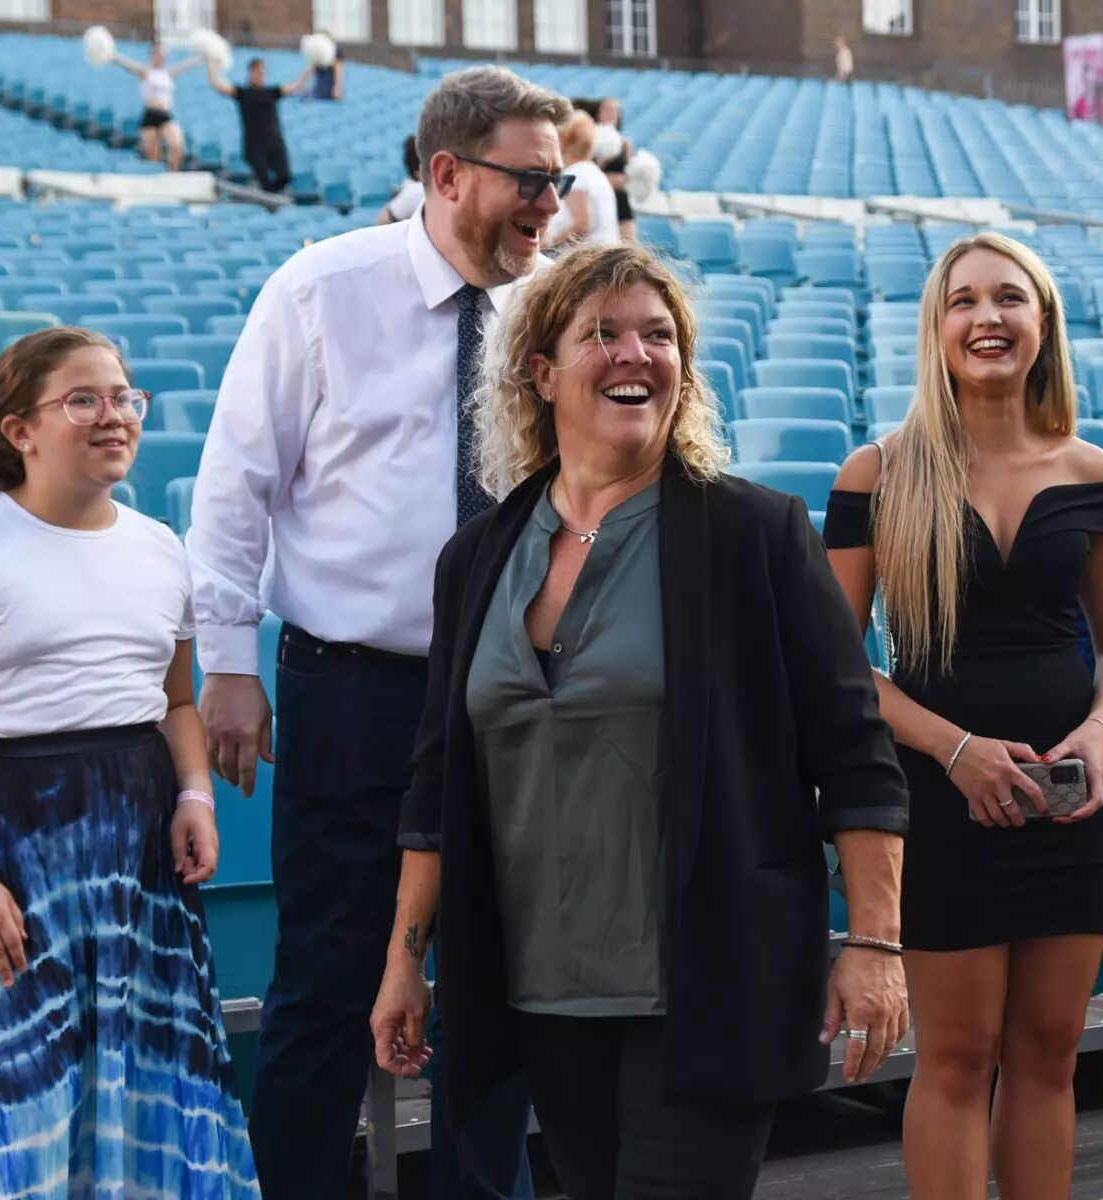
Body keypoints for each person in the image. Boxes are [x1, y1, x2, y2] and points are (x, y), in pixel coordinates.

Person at [369, 243, 910, 1200]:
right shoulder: (477, 557)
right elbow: (437, 779)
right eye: (603, 334)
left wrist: (874, 942)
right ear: (542, 373)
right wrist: (404, 961)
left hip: (708, 979)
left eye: (658, 336)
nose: (635, 355)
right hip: (543, 988)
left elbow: (856, 753)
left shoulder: (756, 534)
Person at [186, 65, 570, 1200]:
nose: (552, 206)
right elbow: (236, 485)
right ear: (447, 173)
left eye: (560, 182)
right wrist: (226, 664)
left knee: (500, 988)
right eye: (530, 181)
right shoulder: (322, 289)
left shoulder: (552, 307)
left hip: (515, 687)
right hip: (354, 687)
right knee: (328, 980)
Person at [0, 327, 258, 1197]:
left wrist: (195, 794)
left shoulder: (158, 546)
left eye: (124, 397)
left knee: (150, 1084)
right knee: (13, 1096)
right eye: (83, 400)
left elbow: (176, 702)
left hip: (137, 848)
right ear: (21, 431)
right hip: (7, 844)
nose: (114, 416)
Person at [824, 232, 1103, 1198]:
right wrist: (956, 750)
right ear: (937, 327)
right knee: (958, 1058)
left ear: (1042, 322)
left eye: (1009, 297)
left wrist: (1099, 731)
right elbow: (835, 664)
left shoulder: (1092, 471)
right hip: (937, 803)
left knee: (1051, 1053)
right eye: (963, 301)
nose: (987, 317)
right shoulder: (878, 472)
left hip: (1067, 803)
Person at [207, 57, 311, 194]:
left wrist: (312, 65)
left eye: (263, 72)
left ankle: (273, 197)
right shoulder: (243, 93)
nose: (261, 74)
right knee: (264, 182)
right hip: (254, 145)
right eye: (257, 71)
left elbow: (298, 85)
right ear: (250, 72)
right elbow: (217, 85)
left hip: (274, 143)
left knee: (285, 176)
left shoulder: (272, 92)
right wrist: (211, 63)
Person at [108, 42, 201, 171]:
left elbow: (185, 66)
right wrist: (112, 55)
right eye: (157, 54)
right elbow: (127, 64)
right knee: (153, 157)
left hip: (165, 115)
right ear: (152, 55)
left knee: (177, 145)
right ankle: (158, 177)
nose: (160, 57)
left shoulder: (168, 73)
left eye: (163, 55)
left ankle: (172, 175)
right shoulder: (145, 72)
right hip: (150, 115)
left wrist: (200, 58)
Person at [546, 111, 619, 251]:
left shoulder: (576, 175)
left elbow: (581, 226)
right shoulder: (595, 173)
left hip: (591, 256)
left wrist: (548, 245)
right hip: (604, 253)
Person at [596, 97, 636, 244]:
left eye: (614, 110)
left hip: (620, 199)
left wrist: (624, 180)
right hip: (598, 199)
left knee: (629, 245)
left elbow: (629, 175)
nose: (610, 113)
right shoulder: (591, 140)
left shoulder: (625, 143)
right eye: (606, 109)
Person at [378, 135, 426, 225]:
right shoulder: (415, 192)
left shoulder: (413, 192)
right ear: (419, 173)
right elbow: (383, 219)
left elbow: (383, 218)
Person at [309, 35, 344, 100]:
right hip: (318, 91)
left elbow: (339, 75)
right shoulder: (318, 55)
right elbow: (307, 74)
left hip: (327, 93)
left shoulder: (336, 57)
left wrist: (337, 90)